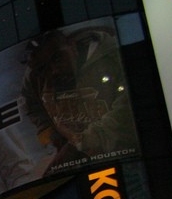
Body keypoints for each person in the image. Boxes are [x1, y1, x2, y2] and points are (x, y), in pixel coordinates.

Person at [20, 25, 136, 174]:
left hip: (128, 161)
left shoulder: (113, 56)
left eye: (57, 58)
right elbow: (32, 107)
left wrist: (76, 145)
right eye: (43, 69)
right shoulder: (32, 80)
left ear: (73, 47)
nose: (54, 71)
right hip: (80, 165)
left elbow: (126, 114)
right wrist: (54, 137)